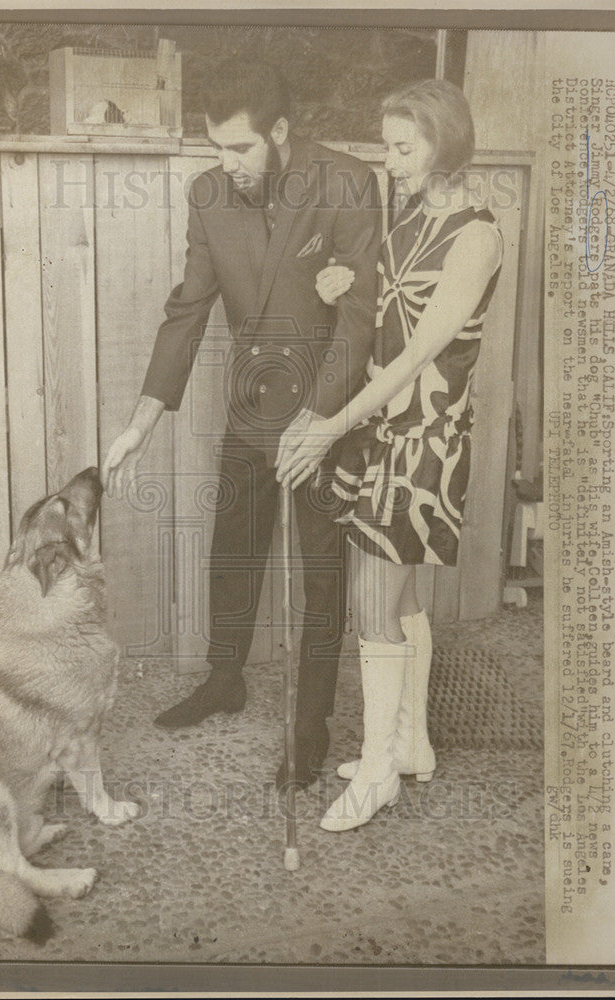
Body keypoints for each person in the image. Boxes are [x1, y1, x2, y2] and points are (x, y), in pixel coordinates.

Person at [102, 60, 383, 790]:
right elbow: (187, 310)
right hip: (254, 403)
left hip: (328, 408)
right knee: (233, 546)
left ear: (280, 132)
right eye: (215, 149)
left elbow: (358, 319)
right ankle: (224, 679)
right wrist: (141, 421)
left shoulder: (347, 182)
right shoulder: (208, 195)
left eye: (239, 149)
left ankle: (309, 727)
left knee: (320, 571)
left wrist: (320, 420)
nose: (226, 165)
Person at [275, 79, 504, 830]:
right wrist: (343, 280)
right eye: (386, 146)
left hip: (424, 443)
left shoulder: (476, 235)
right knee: (398, 600)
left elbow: (413, 359)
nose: (391, 161)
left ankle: (376, 775)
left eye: (404, 148)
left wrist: (327, 424)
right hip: (381, 434)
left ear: (446, 145)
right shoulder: (408, 215)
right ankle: (409, 745)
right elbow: (383, 306)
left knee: (373, 603)